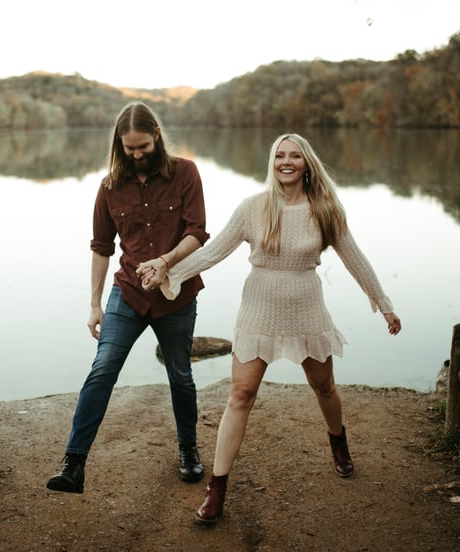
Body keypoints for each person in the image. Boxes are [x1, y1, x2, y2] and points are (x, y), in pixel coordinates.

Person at [137, 133, 401, 524]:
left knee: (324, 386)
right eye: (280, 155)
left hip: (307, 310)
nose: (286, 162)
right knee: (240, 395)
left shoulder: (325, 209)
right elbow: (213, 252)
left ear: (307, 163)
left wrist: (384, 304)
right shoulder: (253, 208)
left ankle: (338, 442)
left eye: (295, 156)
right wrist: (168, 270)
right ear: (272, 162)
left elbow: (355, 258)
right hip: (258, 311)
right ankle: (216, 489)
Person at [46, 101, 210, 494]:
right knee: (102, 368)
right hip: (128, 294)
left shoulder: (186, 173)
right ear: (119, 144)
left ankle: (188, 448)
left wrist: (166, 261)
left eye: (143, 146)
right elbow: (101, 247)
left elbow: (197, 232)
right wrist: (94, 304)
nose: (136, 155)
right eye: (129, 148)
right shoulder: (109, 187)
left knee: (180, 376)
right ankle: (74, 463)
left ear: (157, 135)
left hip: (176, 293)